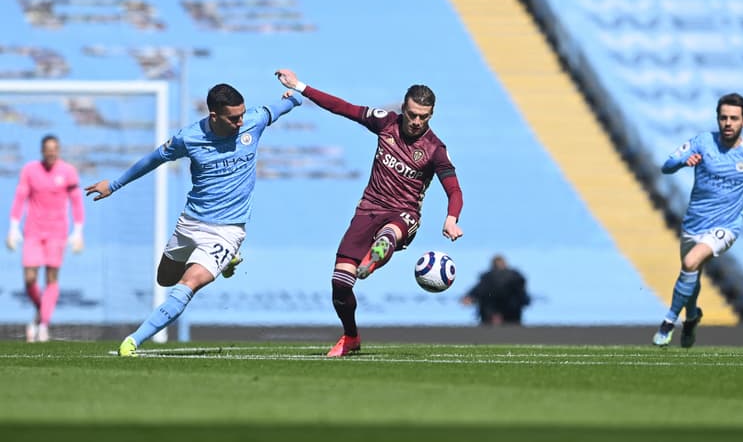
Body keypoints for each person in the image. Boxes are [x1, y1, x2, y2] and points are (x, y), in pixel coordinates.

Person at [84, 83, 302, 356]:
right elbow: (153, 160)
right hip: (191, 222)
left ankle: (133, 341)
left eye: (242, 115)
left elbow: (282, 107)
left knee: (187, 284)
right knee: (165, 278)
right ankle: (227, 261)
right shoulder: (189, 138)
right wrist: (114, 185)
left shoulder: (253, 123)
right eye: (233, 118)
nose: (240, 122)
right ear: (214, 115)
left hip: (227, 230)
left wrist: (293, 96)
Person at [275, 68, 464, 357]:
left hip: (404, 215)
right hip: (368, 210)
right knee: (340, 283)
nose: (416, 121)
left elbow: (454, 190)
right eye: (412, 114)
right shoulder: (385, 123)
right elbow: (343, 108)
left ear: (431, 115)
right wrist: (300, 86)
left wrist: (452, 218)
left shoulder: (435, 149)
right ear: (403, 108)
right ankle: (351, 337)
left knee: (389, 234)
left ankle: (375, 258)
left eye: (423, 117)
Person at [652, 93, 743, 348]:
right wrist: (684, 162)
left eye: (734, 118)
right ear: (718, 119)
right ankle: (692, 317)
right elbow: (667, 166)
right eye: (723, 117)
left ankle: (668, 321)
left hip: (725, 227)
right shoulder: (703, 142)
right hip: (693, 223)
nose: (728, 123)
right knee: (691, 273)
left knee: (691, 261)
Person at [6, 134, 85, 342]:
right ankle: (43, 313)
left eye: (54, 148)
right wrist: (13, 228)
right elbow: (20, 198)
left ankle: (42, 325)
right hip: (32, 230)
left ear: (58, 150)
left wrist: (78, 231)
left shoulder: (68, 172)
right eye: (47, 148)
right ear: (42, 151)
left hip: (57, 232)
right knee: (30, 279)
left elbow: (76, 202)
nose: (51, 152)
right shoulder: (30, 170)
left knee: (51, 278)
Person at [461, 254, 530, 325]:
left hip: (491, 314)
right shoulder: (515, 276)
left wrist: (469, 297)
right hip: (510, 314)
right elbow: (523, 295)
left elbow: (478, 291)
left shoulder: (487, 277)